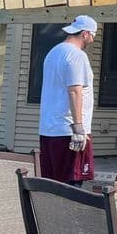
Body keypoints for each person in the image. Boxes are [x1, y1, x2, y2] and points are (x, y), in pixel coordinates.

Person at [39, 14, 97, 185]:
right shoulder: (77, 55)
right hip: (69, 132)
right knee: (72, 186)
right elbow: (75, 90)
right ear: (85, 33)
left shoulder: (53, 52)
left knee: (52, 184)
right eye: (93, 35)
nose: (92, 40)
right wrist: (79, 128)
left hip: (48, 130)